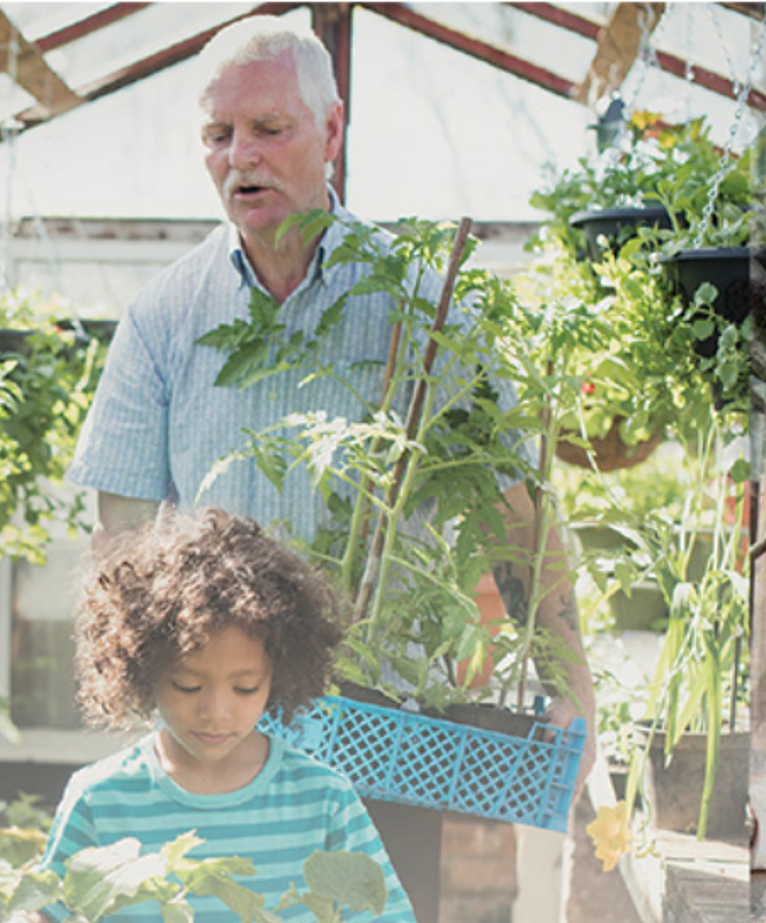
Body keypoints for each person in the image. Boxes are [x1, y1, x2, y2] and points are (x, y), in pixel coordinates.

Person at [65, 13, 595, 737]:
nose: (240, 157)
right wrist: (142, 697)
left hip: (389, 723)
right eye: (218, 136)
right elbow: (121, 536)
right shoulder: (163, 318)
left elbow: (515, 520)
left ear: (333, 134)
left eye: (269, 129)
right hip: (220, 733)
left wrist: (572, 687)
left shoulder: (423, 306)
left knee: (375, 862)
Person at [0, 510, 433, 923]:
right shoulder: (102, 796)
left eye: (245, 687)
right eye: (188, 684)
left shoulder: (323, 798)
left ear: (280, 676)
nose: (216, 710)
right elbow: (51, 916)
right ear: (141, 670)